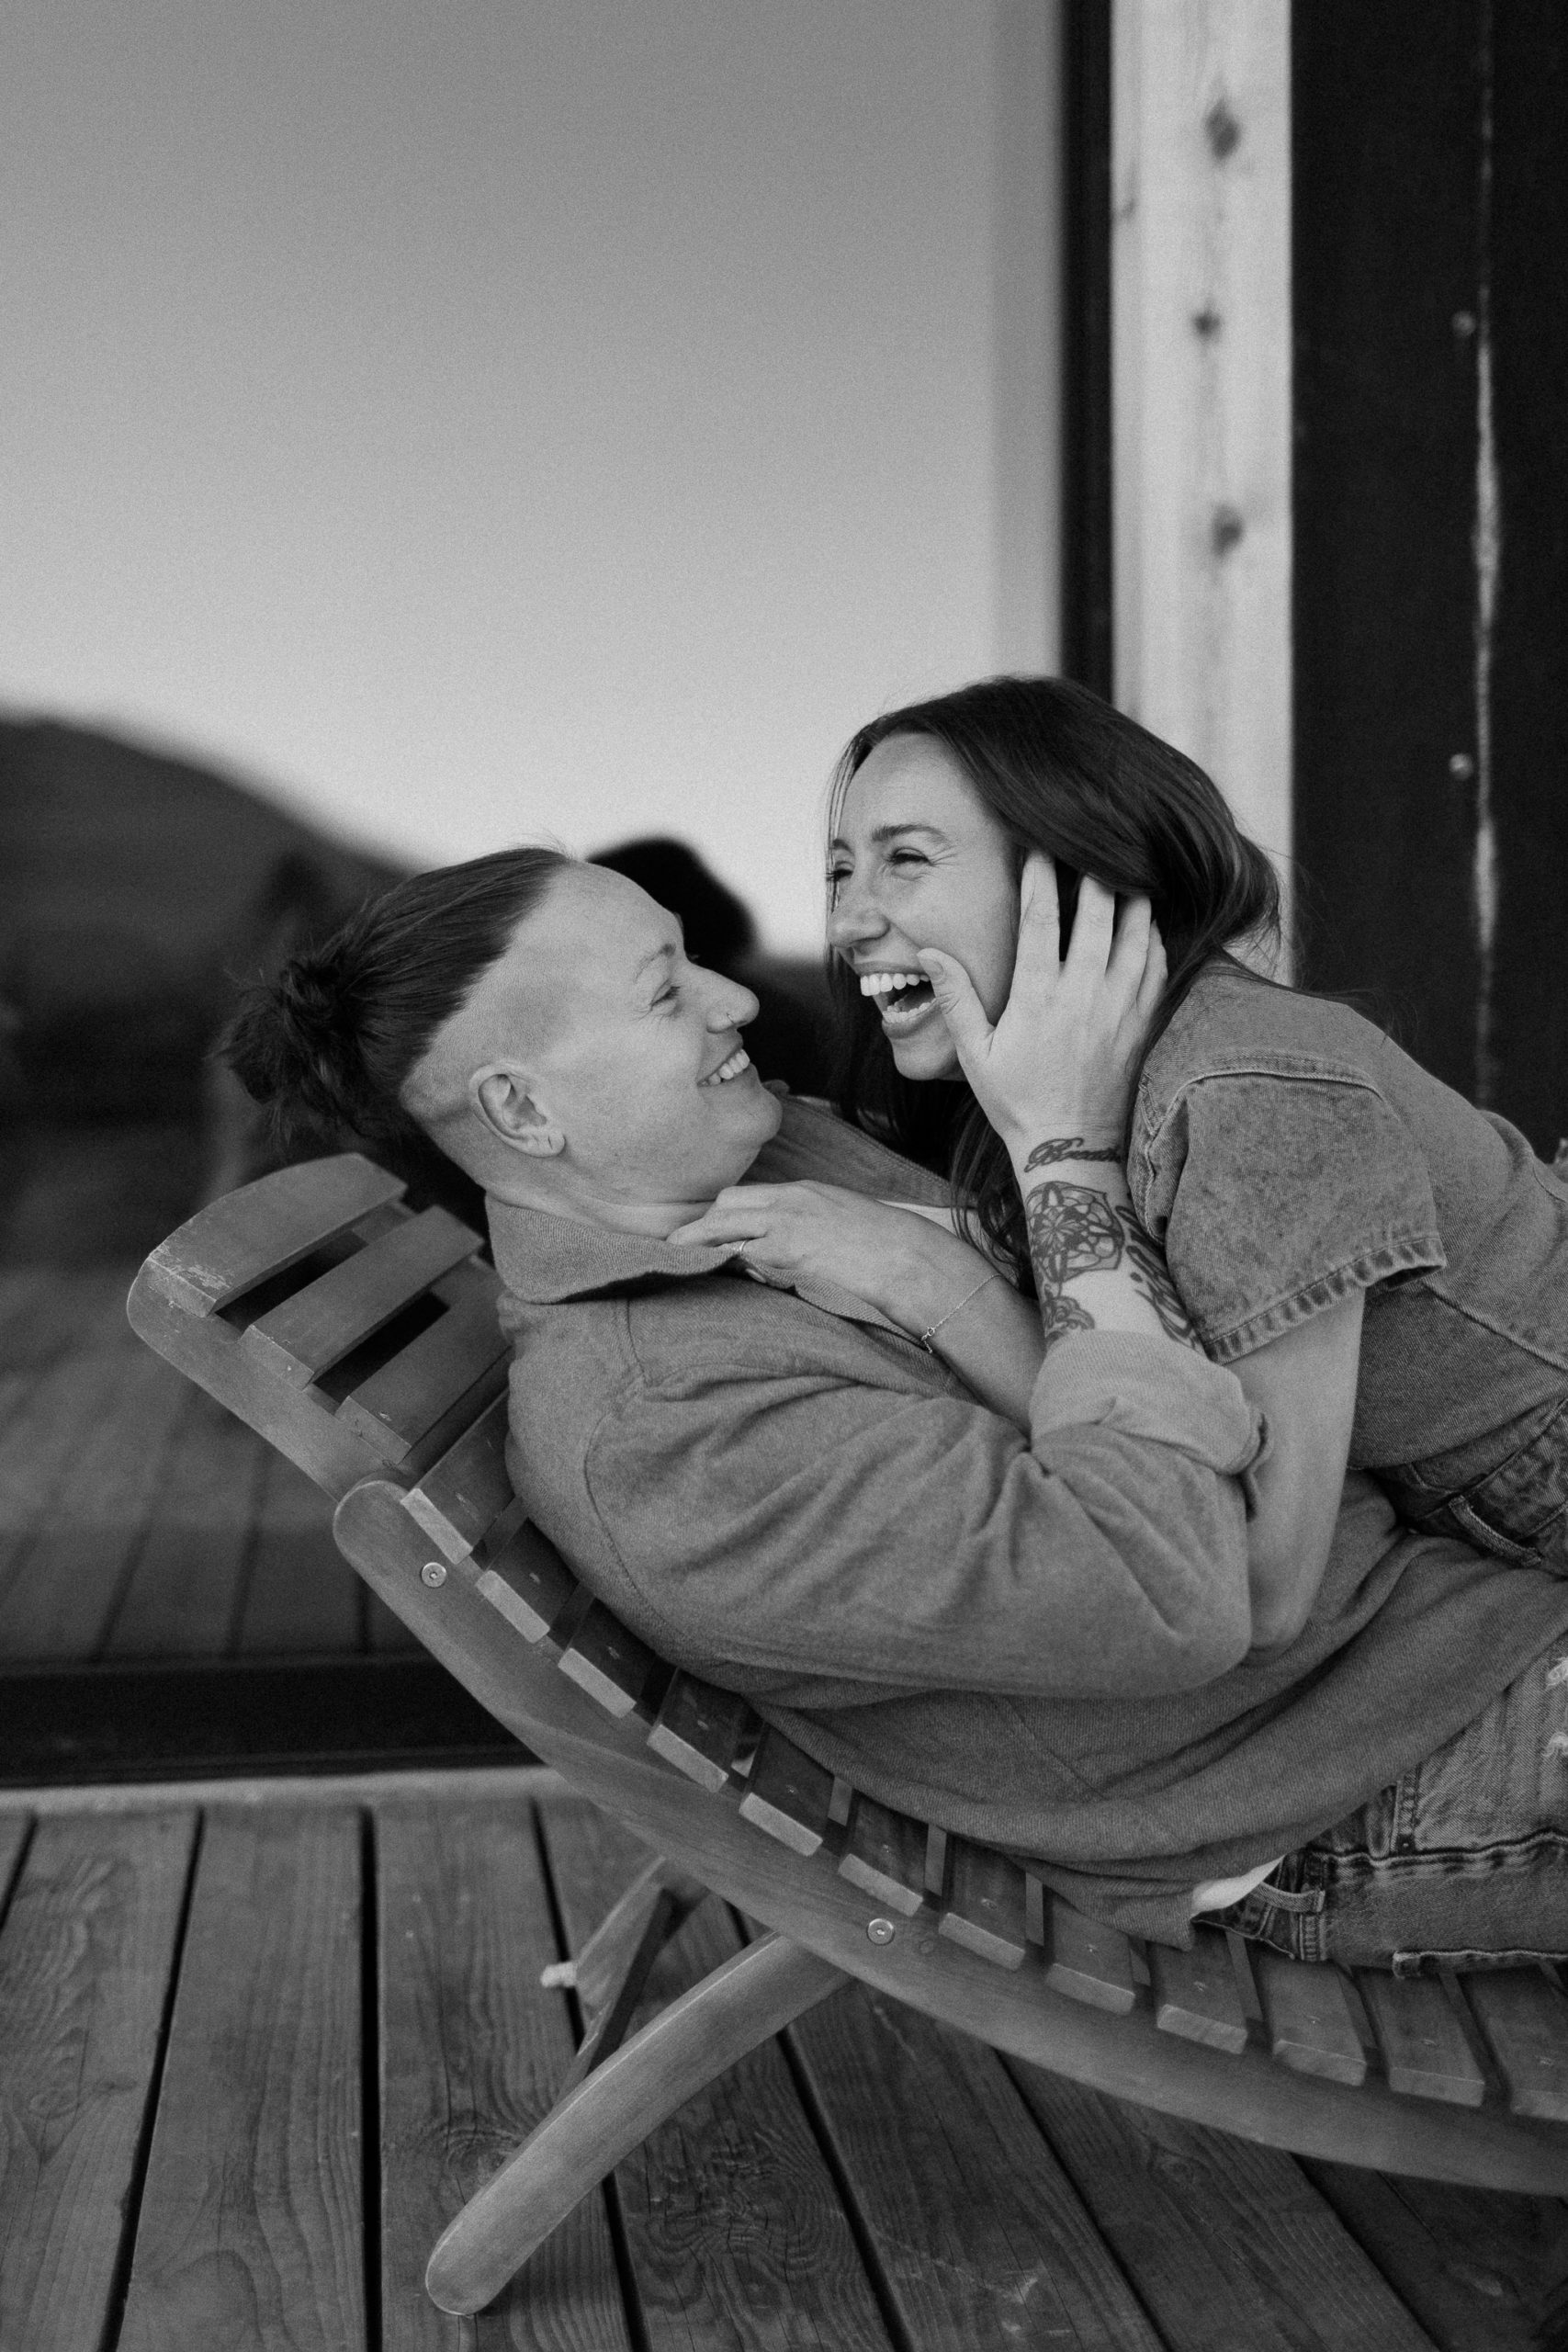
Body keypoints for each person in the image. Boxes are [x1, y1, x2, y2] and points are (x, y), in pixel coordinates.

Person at [223, 845, 1568, 1970]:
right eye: (664, 991)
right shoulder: (664, 1436)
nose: (734, 1000)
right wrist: (981, 1255)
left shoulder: (763, 1156)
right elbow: (1179, 1581)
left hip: (1432, 1628)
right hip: (1356, 1780)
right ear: (523, 1110)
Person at [817, 673, 1568, 1665]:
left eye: (905, 859)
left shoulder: (1247, 1092)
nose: (847, 921)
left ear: (1073, 877)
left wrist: (924, 1276)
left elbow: (1251, 1579)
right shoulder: (1061, 1084)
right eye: (840, 872)